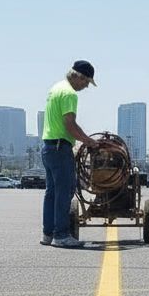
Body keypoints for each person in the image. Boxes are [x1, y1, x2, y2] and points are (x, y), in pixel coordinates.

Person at [41, 60, 98, 247]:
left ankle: (48, 234)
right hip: (60, 148)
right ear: (78, 77)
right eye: (86, 82)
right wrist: (88, 141)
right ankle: (61, 236)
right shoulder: (69, 94)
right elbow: (70, 125)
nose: (85, 86)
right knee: (64, 192)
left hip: (48, 147)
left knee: (52, 193)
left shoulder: (55, 89)